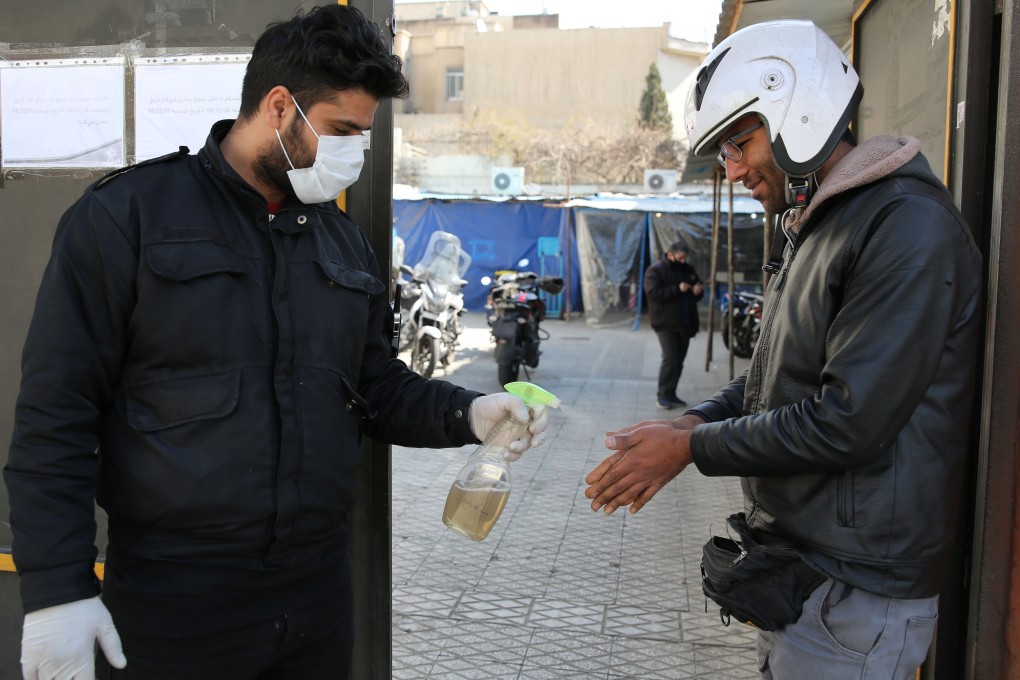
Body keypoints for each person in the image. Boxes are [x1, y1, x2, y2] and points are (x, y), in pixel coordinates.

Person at [4, 6, 548, 679]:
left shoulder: (341, 241)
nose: (355, 151)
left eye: (364, 134)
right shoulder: (127, 220)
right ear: (280, 106)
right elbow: (56, 416)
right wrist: (57, 589)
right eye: (343, 130)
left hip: (315, 593)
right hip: (177, 603)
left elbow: (373, 385)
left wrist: (469, 413)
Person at [584, 19, 981, 680]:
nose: (733, 169)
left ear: (801, 109)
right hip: (810, 576)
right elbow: (774, 381)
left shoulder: (904, 227)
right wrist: (693, 422)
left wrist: (688, 450)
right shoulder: (822, 226)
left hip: (858, 588)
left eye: (740, 142)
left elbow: (849, 419)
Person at [643, 242, 704, 409]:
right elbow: (653, 293)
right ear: (670, 255)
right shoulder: (655, 271)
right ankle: (662, 395)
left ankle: (671, 393)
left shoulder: (688, 269)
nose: (683, 261)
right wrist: (677, 288)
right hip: (666, 324)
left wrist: (697, 292)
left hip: (686, 324)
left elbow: (695, 292)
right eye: (680, 258)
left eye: (685, 258)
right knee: (670, 359)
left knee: (679, 360)